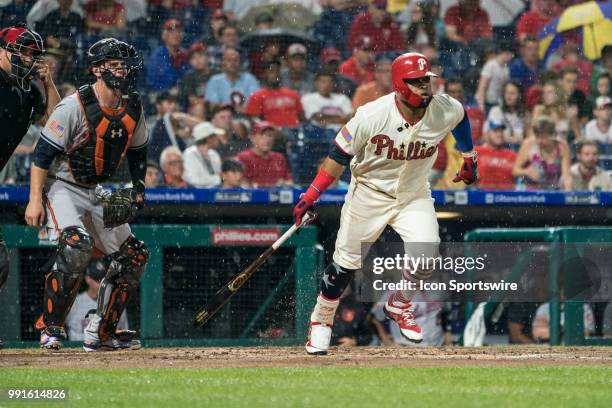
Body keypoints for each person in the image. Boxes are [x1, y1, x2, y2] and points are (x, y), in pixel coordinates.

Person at [294, 53, 478, 355]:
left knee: (427, 254)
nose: (424, 86)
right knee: (346, 264)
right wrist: (311, 195)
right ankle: (321, 320)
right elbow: (338, 155)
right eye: (416, 82)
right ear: (400, 84)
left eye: (426, 80)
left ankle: (399, 303)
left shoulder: (444, 107)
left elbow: (461, 119)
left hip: (413, 194)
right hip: (369, 192)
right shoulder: (371, 115)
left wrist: (469, 157)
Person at [24, 38, 149, 352]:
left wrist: (138, 188)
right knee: (76, 245)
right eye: (115, 64)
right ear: (97, 69)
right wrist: (35, 199)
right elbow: (41, 155)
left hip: (95, 189)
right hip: (62, 183)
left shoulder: (133, 104)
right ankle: (49, 328)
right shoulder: (74, 105)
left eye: (125, 64)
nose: (123, 70)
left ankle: (101, 333)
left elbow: (138, 151)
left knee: (134, 256)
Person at [0, 24, 60, 349]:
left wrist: (48, 82)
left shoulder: (28, 91)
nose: (27, 57)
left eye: (32, 53)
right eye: (20, 50)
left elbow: (57, 121)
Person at [65, 258, 129, 341]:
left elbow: (123, 334)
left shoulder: (116, 304)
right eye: (98, 280)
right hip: (77, 350)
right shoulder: (74, 303)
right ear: (88, 279)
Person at [512, 116, 572, 191]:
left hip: (552, 189)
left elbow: (567, 176)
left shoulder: (562, 146)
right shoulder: (528, 144)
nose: (539, 141)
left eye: (544, 137)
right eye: (537, 137)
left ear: (553, 135)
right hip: (529, 190)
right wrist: (527, 171)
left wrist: (568, 195)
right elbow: (515, 171)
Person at [244, 60, 304, 128]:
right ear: (264, 75)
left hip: (295, 132)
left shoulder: (292, 94)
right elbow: (254, 120)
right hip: (272, 134)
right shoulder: (257, 96)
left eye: (277, 71)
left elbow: (302, 118)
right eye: (272, 71)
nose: (276, 74)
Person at [237, 121, 293, 188]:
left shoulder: (279, 158)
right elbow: (241, 184)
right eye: (262, 135)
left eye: (270, 135)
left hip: (276, 197)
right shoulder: (243, 157)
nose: (267, 140)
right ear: (253, 138)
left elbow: (289, 182)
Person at [145, 19, 190, 92]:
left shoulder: (185, 54)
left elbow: (190, 77)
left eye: (178, 31)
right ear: (164, 35)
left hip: (181, 94)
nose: (176, 35)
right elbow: (154, 83)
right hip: (160, 95)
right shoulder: (157, 56)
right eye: (171, 32)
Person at [474, 121, 517, 190]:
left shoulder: (512, 155)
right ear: (486, 134)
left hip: (506, 197)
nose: (499, 134)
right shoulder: (476, 151)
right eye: (495, 131)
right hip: (482, 196)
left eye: (501, 131)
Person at [182, 121, 224, 188]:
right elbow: (193, 180)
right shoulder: (189, 154)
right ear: (208, 139)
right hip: (196, 195)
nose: (218, 139)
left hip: (215, 193)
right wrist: (217, 178)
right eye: (215, 136)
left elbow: (221, 176)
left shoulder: (214, 154)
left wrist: (218, 178)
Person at [475, 43, 514, 114]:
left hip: (498, 102)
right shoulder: (490, 65)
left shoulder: (506, 69)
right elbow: (482, 87)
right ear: (506, 53)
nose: (511, 57)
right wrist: (481, 105)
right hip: (487, 102)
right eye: (511, 55)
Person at [177, 42, 212, 119]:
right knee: (198, 108)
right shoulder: (189, 77)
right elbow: (192, 100)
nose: (197, 60)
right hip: (201, 109)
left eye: (200, 56)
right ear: (190, 62)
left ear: (207, 57)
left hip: (218, 107)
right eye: (193, 58)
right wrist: (210, 103)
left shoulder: (217, 74)